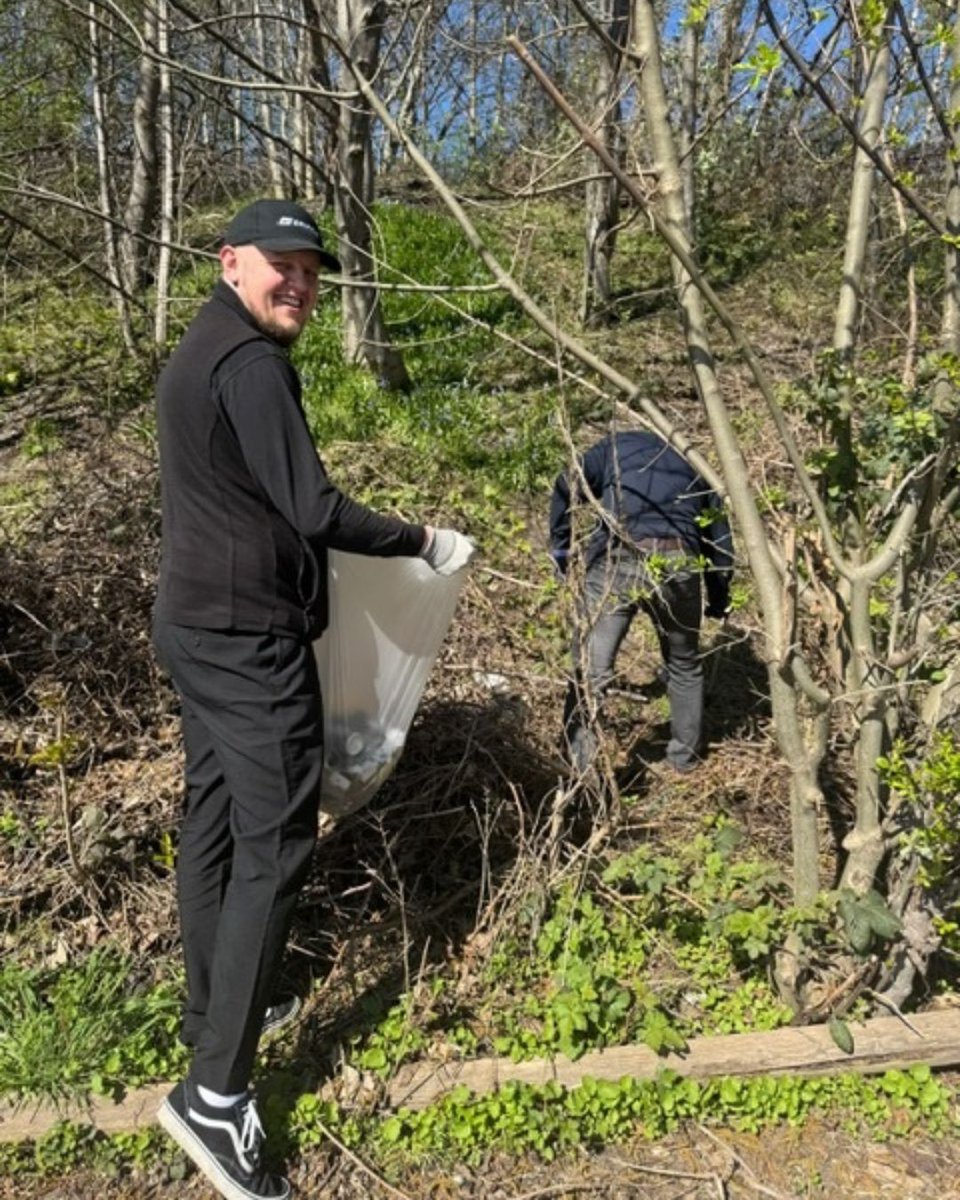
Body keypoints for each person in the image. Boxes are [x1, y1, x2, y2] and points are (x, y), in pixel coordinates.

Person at [151, 198, 474, 1200]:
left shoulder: (200, 348)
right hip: (248, 642)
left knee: (213, 819)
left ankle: (219, 1010)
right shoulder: (250, 365)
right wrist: (422, 541)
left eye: (311, 271)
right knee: (279, 842)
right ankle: (214, 1096)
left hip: (195, 623)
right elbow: (316, 509)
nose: (298, 283)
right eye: (279, 266)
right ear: (230, 261)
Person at [549, 428, 732, 778]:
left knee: (592, 670)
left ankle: (578, 768)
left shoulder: (613, 448)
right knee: (684, 664)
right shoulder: (693, 460)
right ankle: (683, 761)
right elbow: (720, 541)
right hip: (679, 562)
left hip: (617, 557)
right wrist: (719, 596)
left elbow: (564, 484)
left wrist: (561, 547)